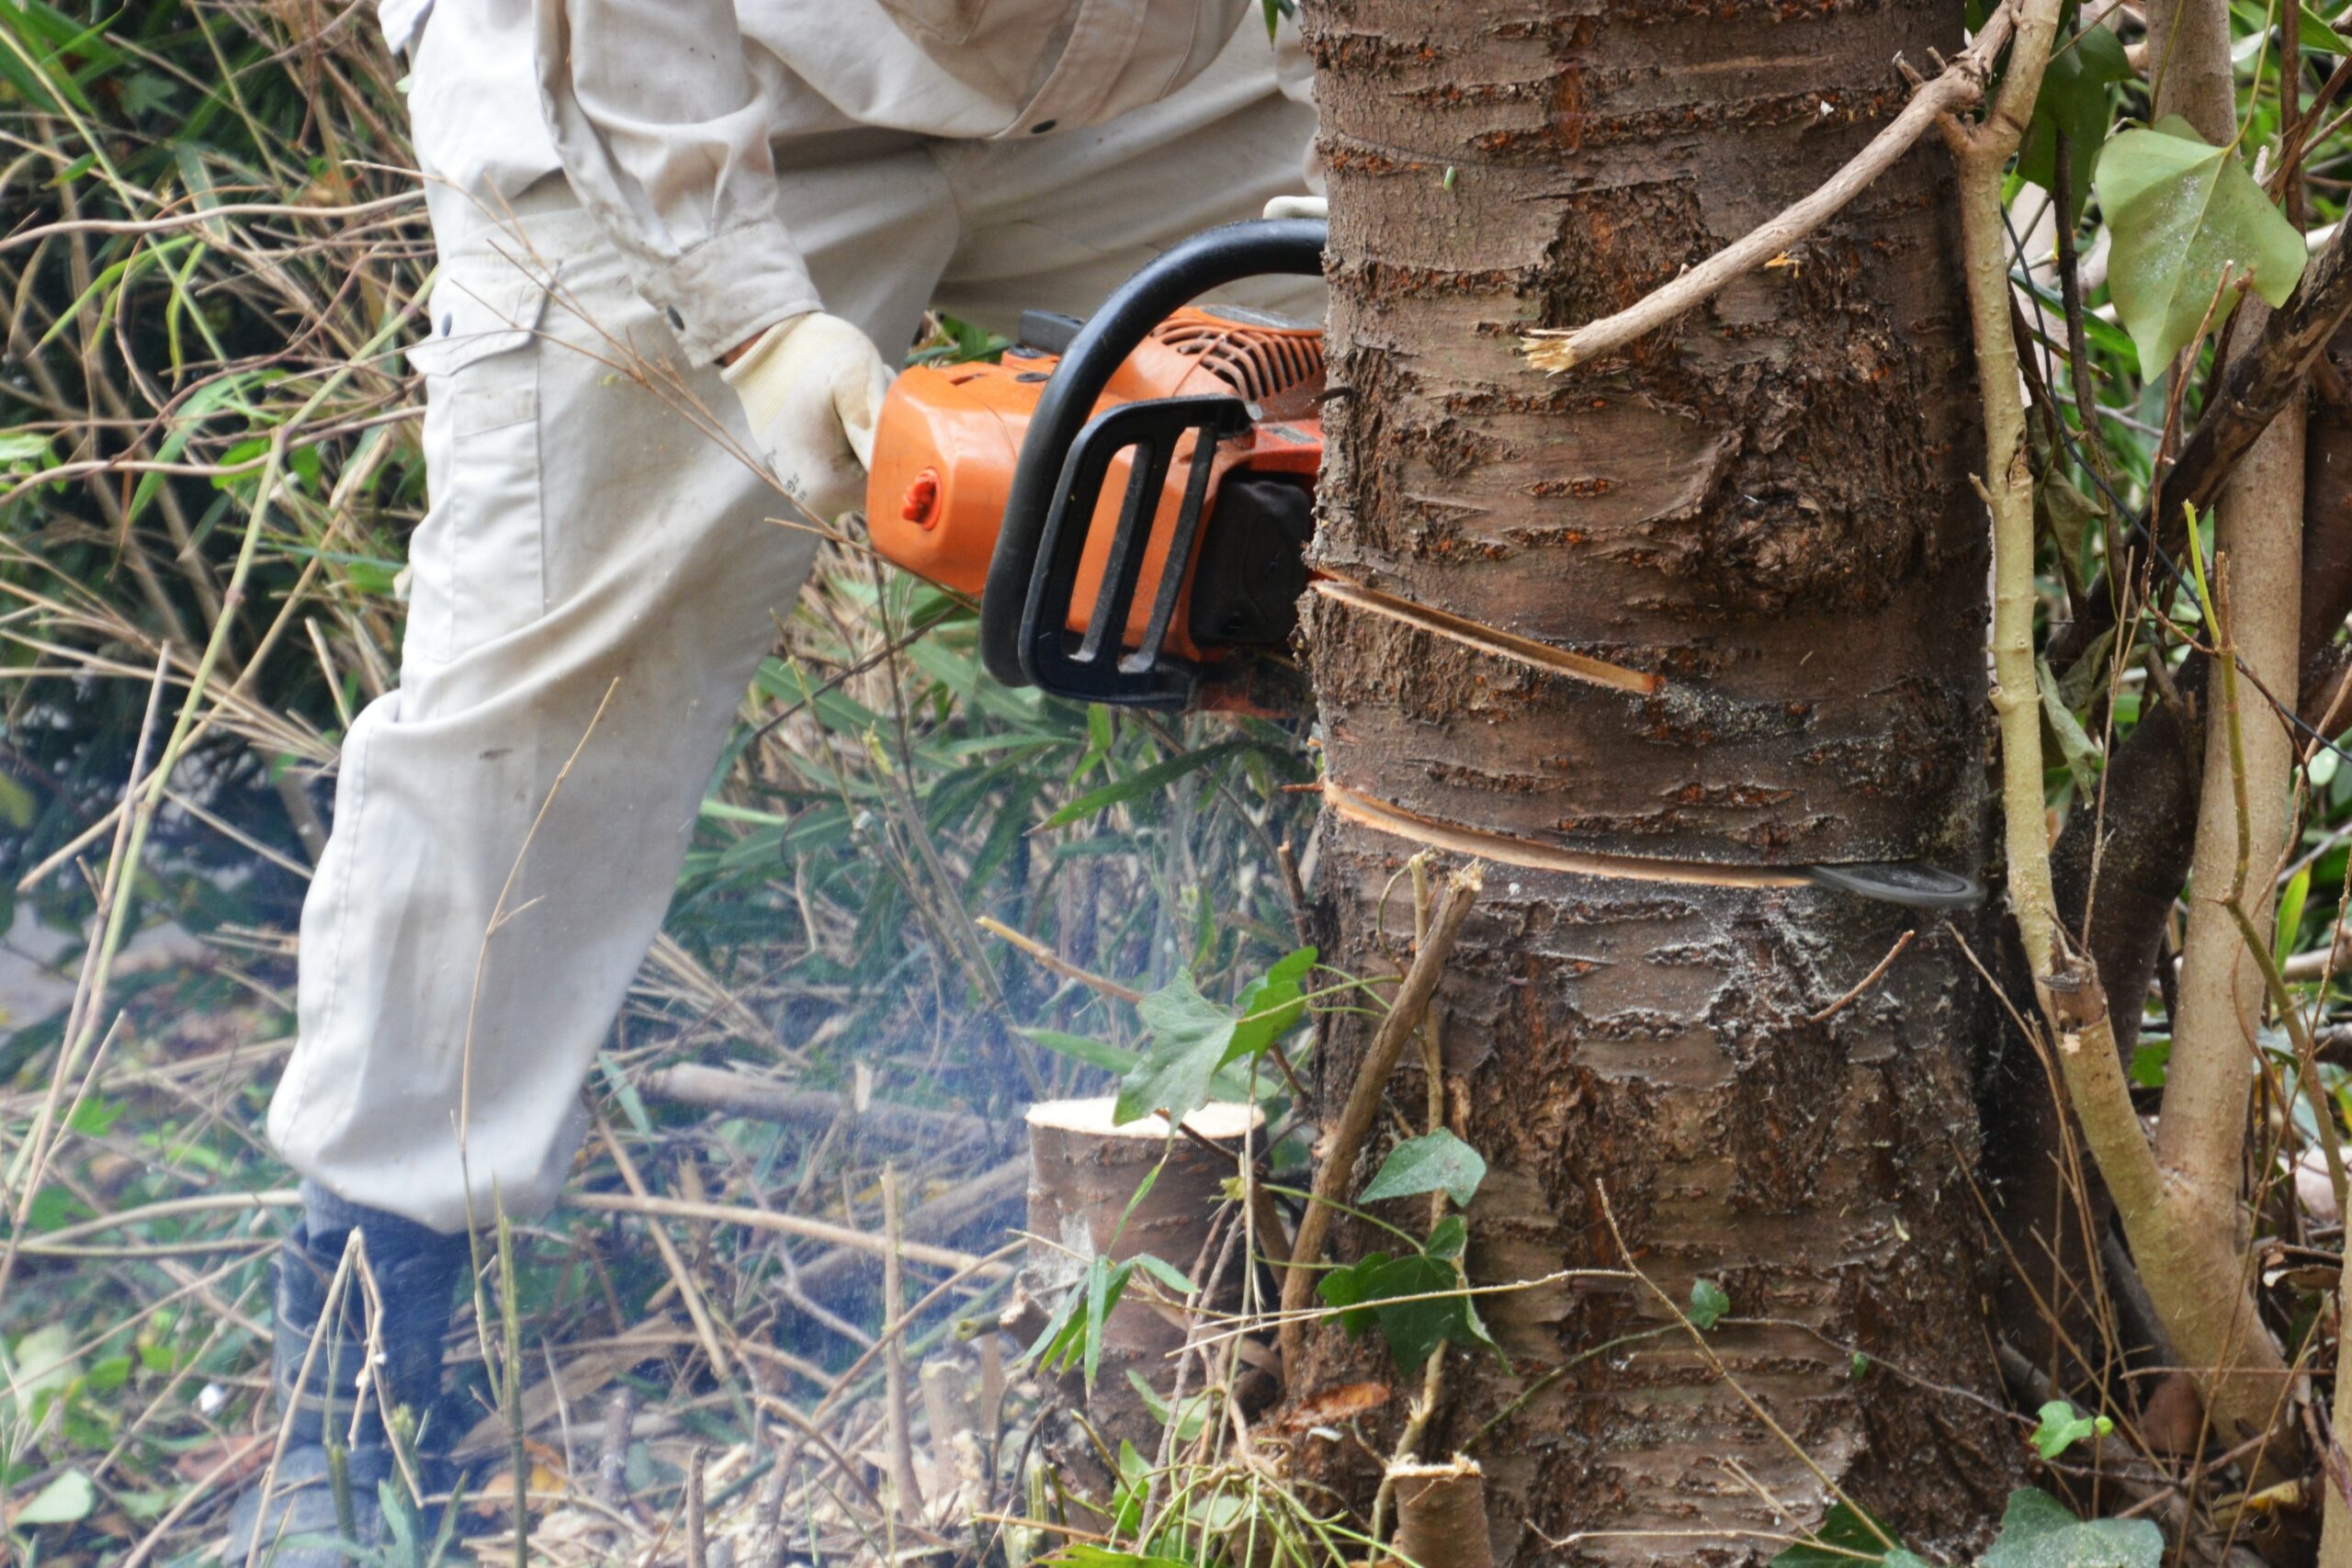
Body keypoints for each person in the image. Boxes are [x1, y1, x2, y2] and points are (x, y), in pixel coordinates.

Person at [230, 1, 1319, 1557]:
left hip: (1159, 82)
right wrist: (752, 319)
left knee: (1443, 412)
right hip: (683, 68)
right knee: (559, 693)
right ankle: (353, 1407)